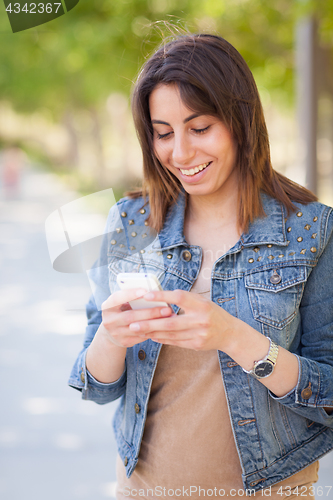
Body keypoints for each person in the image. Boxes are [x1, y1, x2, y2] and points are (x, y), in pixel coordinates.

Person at [68, 33, 333, 499]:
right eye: (164, 133)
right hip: (143, 489)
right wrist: (112, 335)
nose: (182, 154)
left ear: (240, 121)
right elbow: (96, 385)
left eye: (200, 128)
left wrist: (234, 336)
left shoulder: (311, 230)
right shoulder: (130, 223)